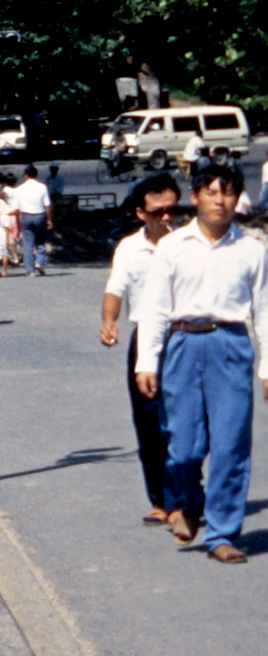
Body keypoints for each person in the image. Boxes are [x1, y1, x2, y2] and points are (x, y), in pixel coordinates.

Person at [134, 158, 265, 564]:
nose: (220, 201)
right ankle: (191, 503)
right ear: (196, 197)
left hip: (230, 346)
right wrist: (146, 361)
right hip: (183, 347)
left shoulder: (252, 250)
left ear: (237, 198)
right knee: (185, 446)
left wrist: (266, 368)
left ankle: (222, 535)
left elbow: (264, 311)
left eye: (228, 192)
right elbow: (155, 307)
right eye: (212, 192)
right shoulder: (173, 247)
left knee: (230, 446)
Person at [103, 176, 184, 525]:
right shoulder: (129, 248)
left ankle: (183, 494)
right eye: (158, 211)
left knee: (184, 422)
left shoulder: (189, 244)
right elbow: (115, 288)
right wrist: (109, 321)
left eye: (173, 209)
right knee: (149, 422)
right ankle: (161, 500)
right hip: (144, 340)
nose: (167, 218)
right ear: (140, 213)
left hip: (184, 339)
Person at [9, 165, 55, 275]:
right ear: (36, 175)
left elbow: (16, 208)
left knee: (27, 243)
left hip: (26, 215)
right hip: (39, 215)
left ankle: (30, 270)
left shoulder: (19, 189)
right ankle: (39, 261)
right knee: (40, 240)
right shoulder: (42, 187)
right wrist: (49, 219)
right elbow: (47, 205)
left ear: (25, 175)